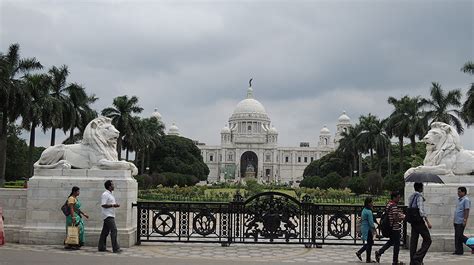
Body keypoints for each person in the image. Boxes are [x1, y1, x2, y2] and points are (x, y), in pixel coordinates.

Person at [375, 191, 406, 265]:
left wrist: (400, 215)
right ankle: (395, 261)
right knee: (397, 245)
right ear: (394, 197)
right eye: (398, 198)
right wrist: (402, 218)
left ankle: (379, 252)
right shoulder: (394, 205)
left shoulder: (389, 204)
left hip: (390, 227)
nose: (399, 199)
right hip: (394, 228)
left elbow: (392, 214)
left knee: (391, 241)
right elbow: (395, 218)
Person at [407, 183, 432, 265]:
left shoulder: (411, 196)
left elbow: (410, 207)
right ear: (421, 188)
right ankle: (417, 257)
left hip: (413, 221)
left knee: (414, 241)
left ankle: (412, 261)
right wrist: (427, 221)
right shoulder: (419, 197)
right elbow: (421, 211)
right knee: (428, 239)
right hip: (419, 221)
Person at [98, 180, 121, 253]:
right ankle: (115, 248)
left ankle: (101, 247)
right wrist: (113, 205)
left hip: (111, 214)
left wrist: (114, 205)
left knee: (105, 231)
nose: (113, 186)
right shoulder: (105, 194)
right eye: (112, 185)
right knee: (114, 230)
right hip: (107, 215)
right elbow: (103, 204)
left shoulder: (110, 194)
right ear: (109, 186)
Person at [356, 197, 376, 263]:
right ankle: (367, 258)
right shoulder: (369, 211)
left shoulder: (364, 210)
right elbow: (371, 222)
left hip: (364, 228)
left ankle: (360, 253)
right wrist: (374, 230)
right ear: (369, 203)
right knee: (370, 243)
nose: (372, 203)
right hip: (368, 229)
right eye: (371, 202)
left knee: (369, 243)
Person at [453, 186, 470, 255]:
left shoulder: (466, 200)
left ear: (464, 192)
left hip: (461, 221)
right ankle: (459, 251)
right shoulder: (458, 200)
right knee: (457, 236)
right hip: (456, 221)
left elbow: (466, 210)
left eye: (459, 192)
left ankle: (471, 243)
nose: (458, 193)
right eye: (458, 191)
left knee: (460, 236)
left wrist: (465, 220)